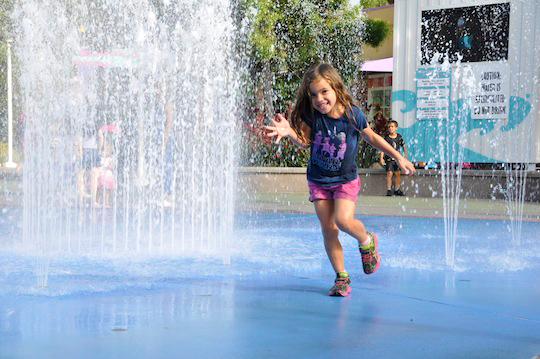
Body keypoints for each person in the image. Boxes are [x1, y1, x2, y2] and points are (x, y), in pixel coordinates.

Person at [265, 64, 415, 297]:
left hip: (345, 179)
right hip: (319, 180)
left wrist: (398, 156)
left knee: (344, 221)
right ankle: (341, 277)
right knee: (329, 229)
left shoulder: (352, 115)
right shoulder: (312, 115)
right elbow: (304, 141)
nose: (319, 98)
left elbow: (373, 138)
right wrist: (289, 133)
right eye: (313, 94)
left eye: (324, 91)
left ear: (335, 88)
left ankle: (367, 241)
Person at [379, 120, 408, 196]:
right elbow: (382, 148)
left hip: (397, 159)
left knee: (398, 173)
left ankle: (397, 189)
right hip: (389, 159)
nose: (390, 128)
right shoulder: (387, 138)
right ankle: (389, 190)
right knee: (389, 173)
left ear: (396, 128)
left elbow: (403, 146)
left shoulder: (399, 137)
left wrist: (405, 154)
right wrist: (381, 158)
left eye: (392, 127)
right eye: (389, 127)